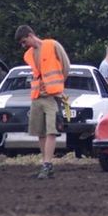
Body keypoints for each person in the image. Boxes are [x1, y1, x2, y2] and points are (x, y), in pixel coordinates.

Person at [14, 25, 70, 180]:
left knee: (51, 130)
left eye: (24, 41)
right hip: (37, 96)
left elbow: (66, 66)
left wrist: (58, 85)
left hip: (52, 96)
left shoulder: (52, 45)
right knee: (40, 131)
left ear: (31, 35)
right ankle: (45, 165)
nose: (23, 45)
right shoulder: (29, 55)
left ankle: (47, 165)